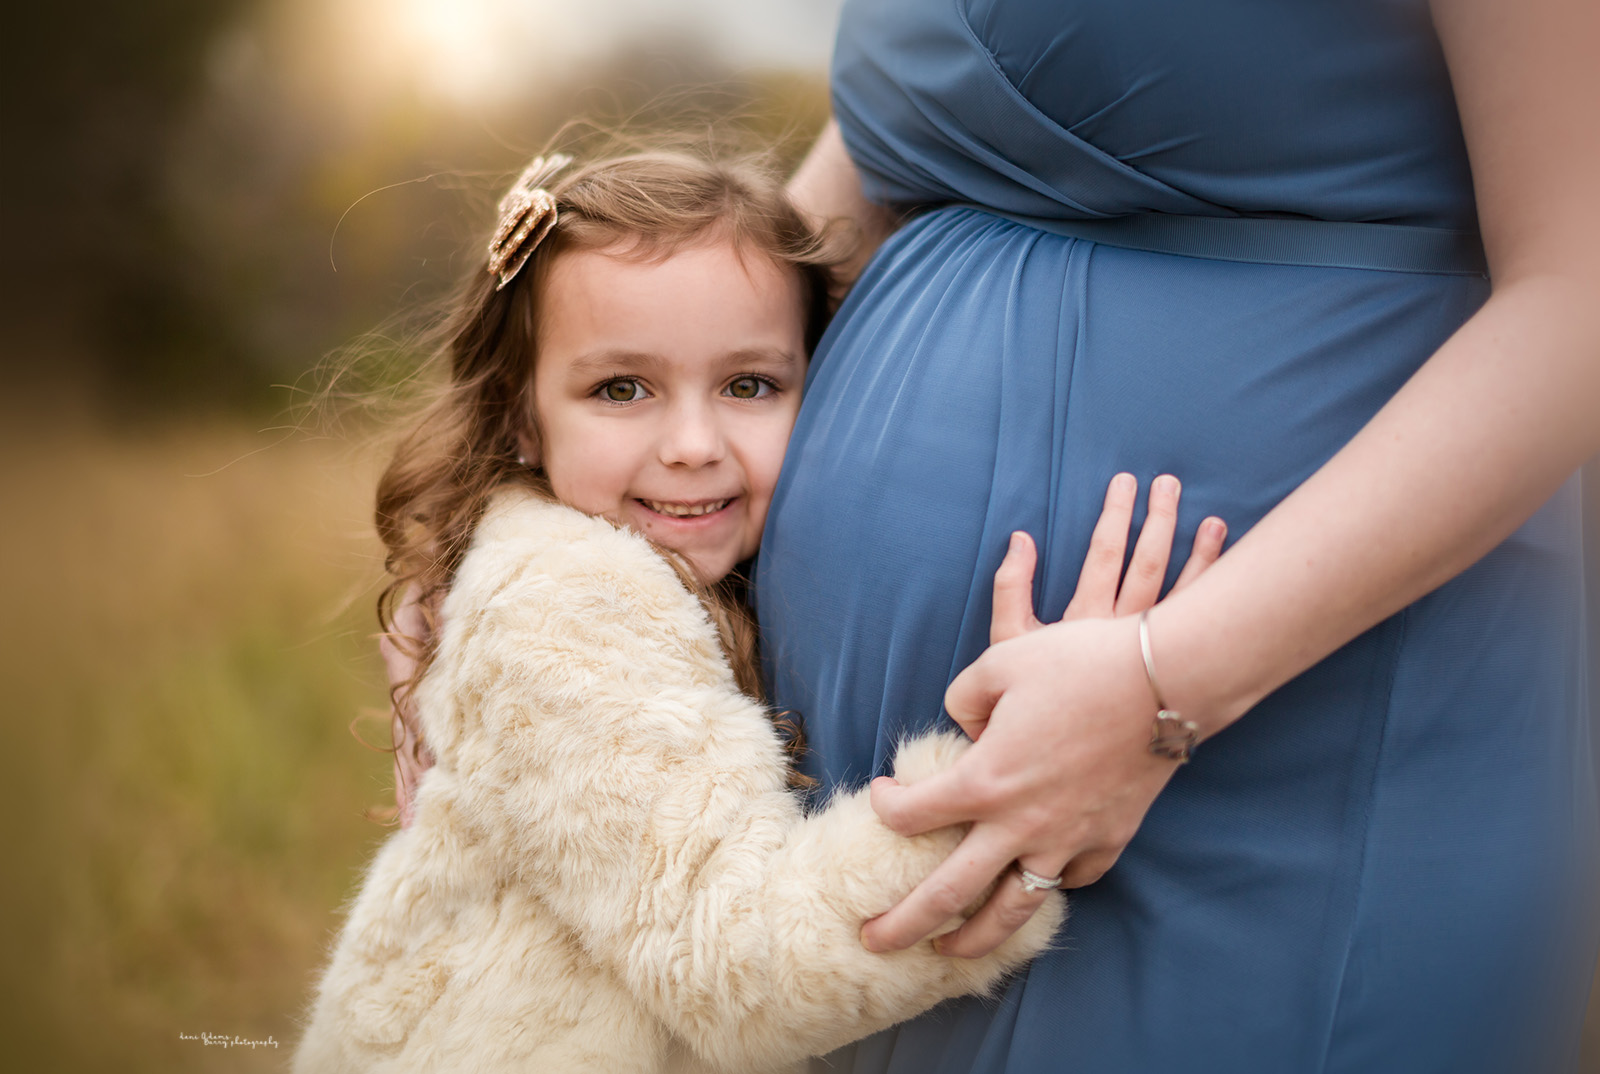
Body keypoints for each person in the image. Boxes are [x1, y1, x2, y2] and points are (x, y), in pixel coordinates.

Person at [758, 1, 1600, 1072]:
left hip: (1289, 744)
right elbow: (893, 137)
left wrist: (1158, 686)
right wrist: (593, 459)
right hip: (872, 784)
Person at [300, 149, 1222, 1073]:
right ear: (519, 418)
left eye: (750, 385)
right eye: (621, 389)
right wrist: (1018, 769)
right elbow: (740, 969)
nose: (694, 445)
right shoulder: (560, 608)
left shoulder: (645, 568)